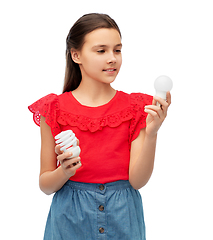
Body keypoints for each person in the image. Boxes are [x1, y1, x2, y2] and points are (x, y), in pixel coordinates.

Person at [28, 13, 171, 240]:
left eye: (117, 50)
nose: (112, 58)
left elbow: (137, 181)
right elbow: (45, 185)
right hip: (69, 221)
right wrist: (64, 171)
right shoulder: (53, 109)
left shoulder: (137, 108)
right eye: (101, 50)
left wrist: (152, 134)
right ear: (76, 55)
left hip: (123, 219)